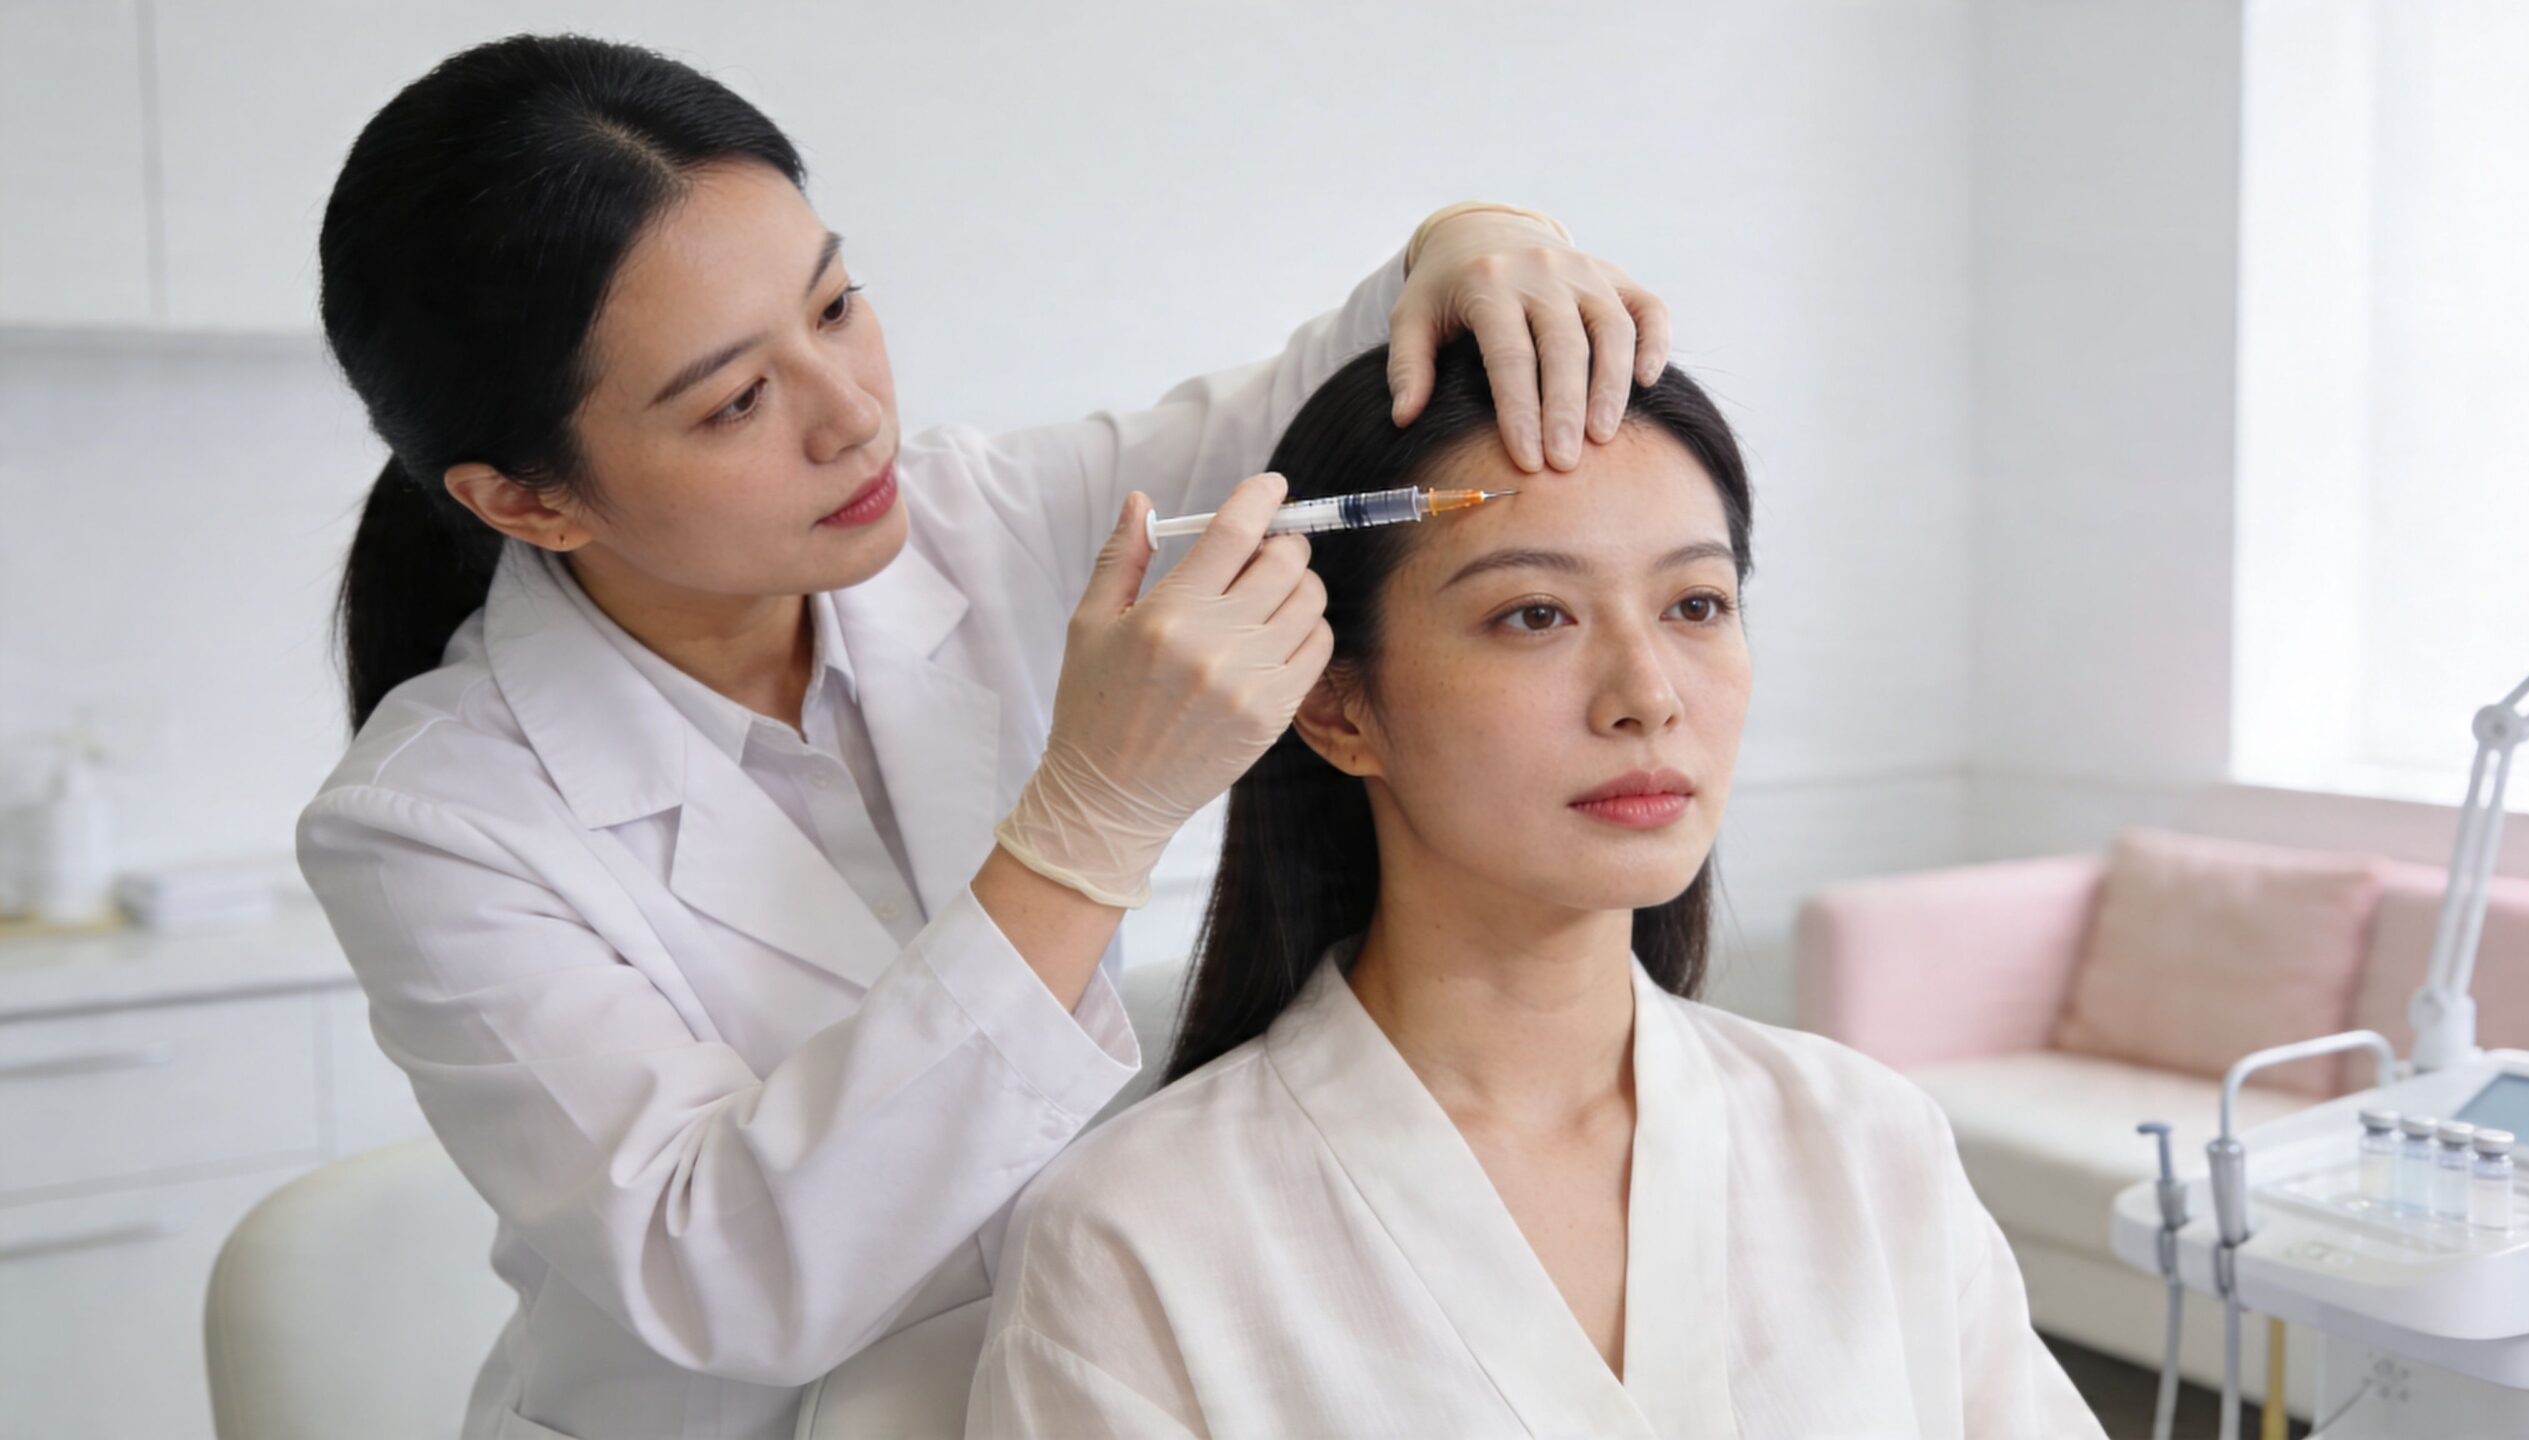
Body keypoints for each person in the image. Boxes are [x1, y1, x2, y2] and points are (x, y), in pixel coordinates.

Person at [292, 32, 1672, 1440]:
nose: (852, 417)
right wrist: (1087, 829)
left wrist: (1480, 239)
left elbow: (1321, 404)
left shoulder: (971, 520)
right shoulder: (433, 824)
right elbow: (731, 1272)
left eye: (834, 308)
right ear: (531, 502)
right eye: (735, 402)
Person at [964, 337, 2108, 1439]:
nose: (1647, 694)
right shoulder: (1136, 1238)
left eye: (1695, 604)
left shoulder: (1865, 1142)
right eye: (1534, 615)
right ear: (1338, 707)